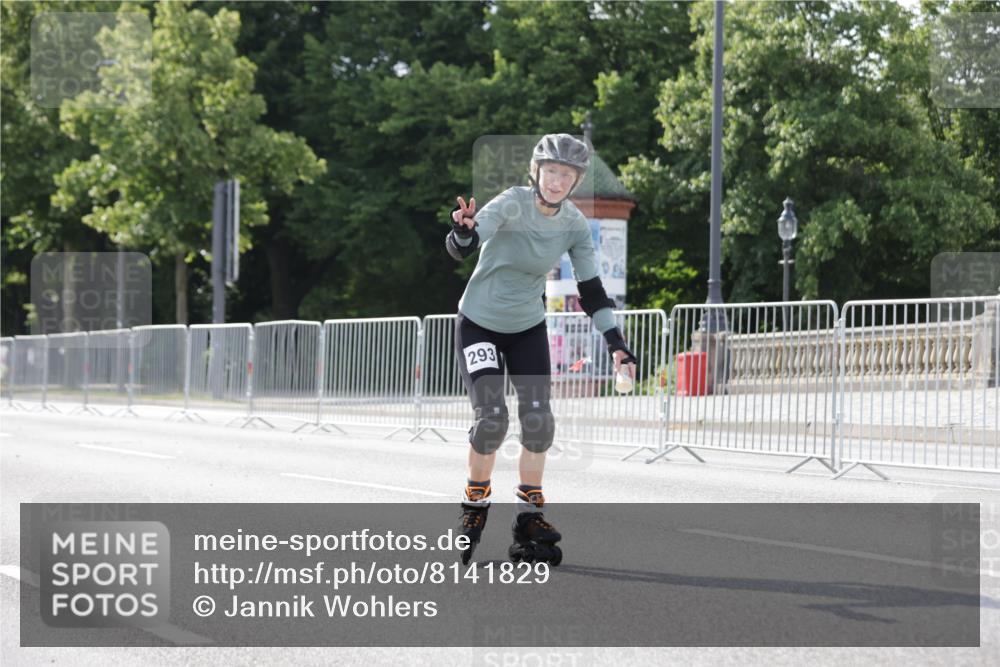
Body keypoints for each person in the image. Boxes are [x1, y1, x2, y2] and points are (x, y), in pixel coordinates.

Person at [446, 133, 637, 564]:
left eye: (566, 175)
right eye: (551, 171)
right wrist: (462, 232)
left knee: (538, 420)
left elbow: (592, 291)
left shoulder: (572, 225)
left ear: (575, 182)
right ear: (536, 172)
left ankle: (529, 514)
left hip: (528, 327)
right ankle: (475, 502)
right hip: (479, 324)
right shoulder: (511, 203)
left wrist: (617, 346)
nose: (556, 181)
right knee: (492, 419)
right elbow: (470, 240)